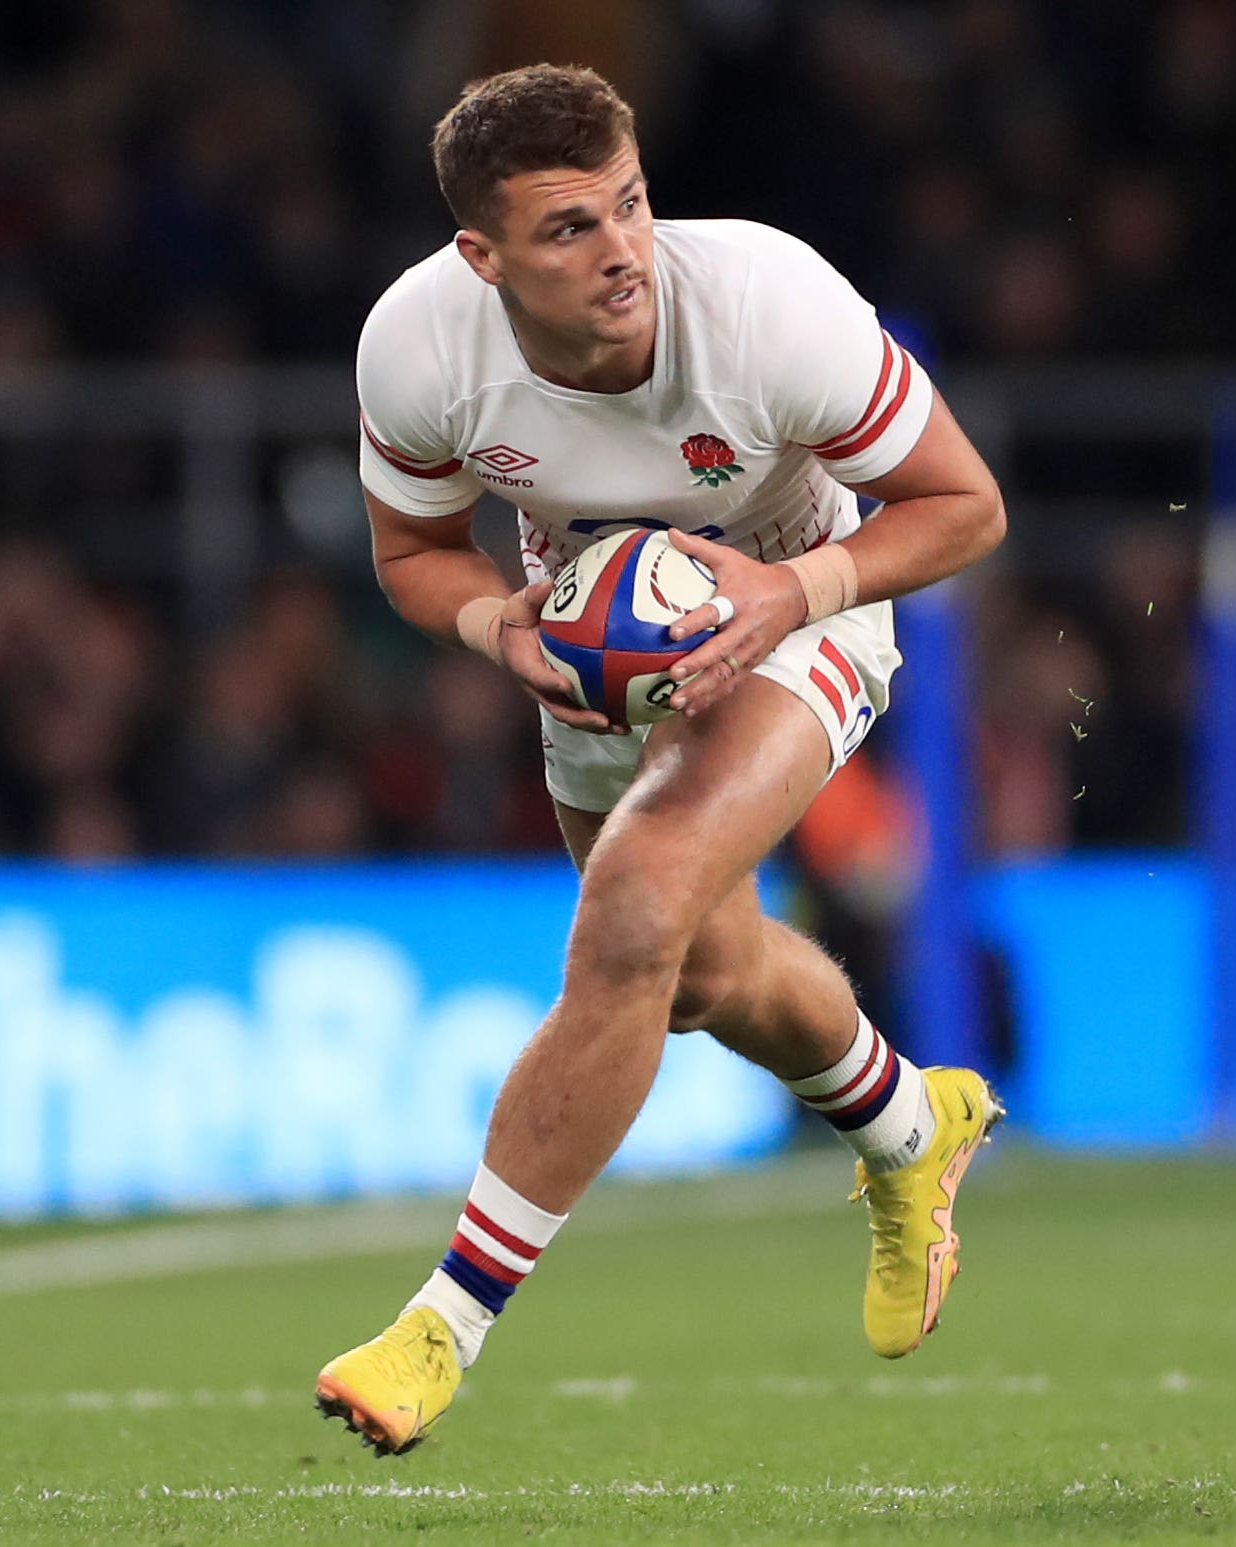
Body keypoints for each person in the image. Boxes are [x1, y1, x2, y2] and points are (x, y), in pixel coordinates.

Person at [317, 65, 1009, 1456]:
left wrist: (792, 596)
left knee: (634, 904)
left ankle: (442, 1327)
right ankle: (905, 1126)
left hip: (793, 606)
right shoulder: (418, 345)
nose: (622, 248)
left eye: (630, 205)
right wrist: (490, 625)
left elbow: (964, 506)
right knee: (698, 975)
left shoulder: (766, 306)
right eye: (570, 227)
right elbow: (409, 554)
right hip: (586, 647)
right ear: (483, 256)